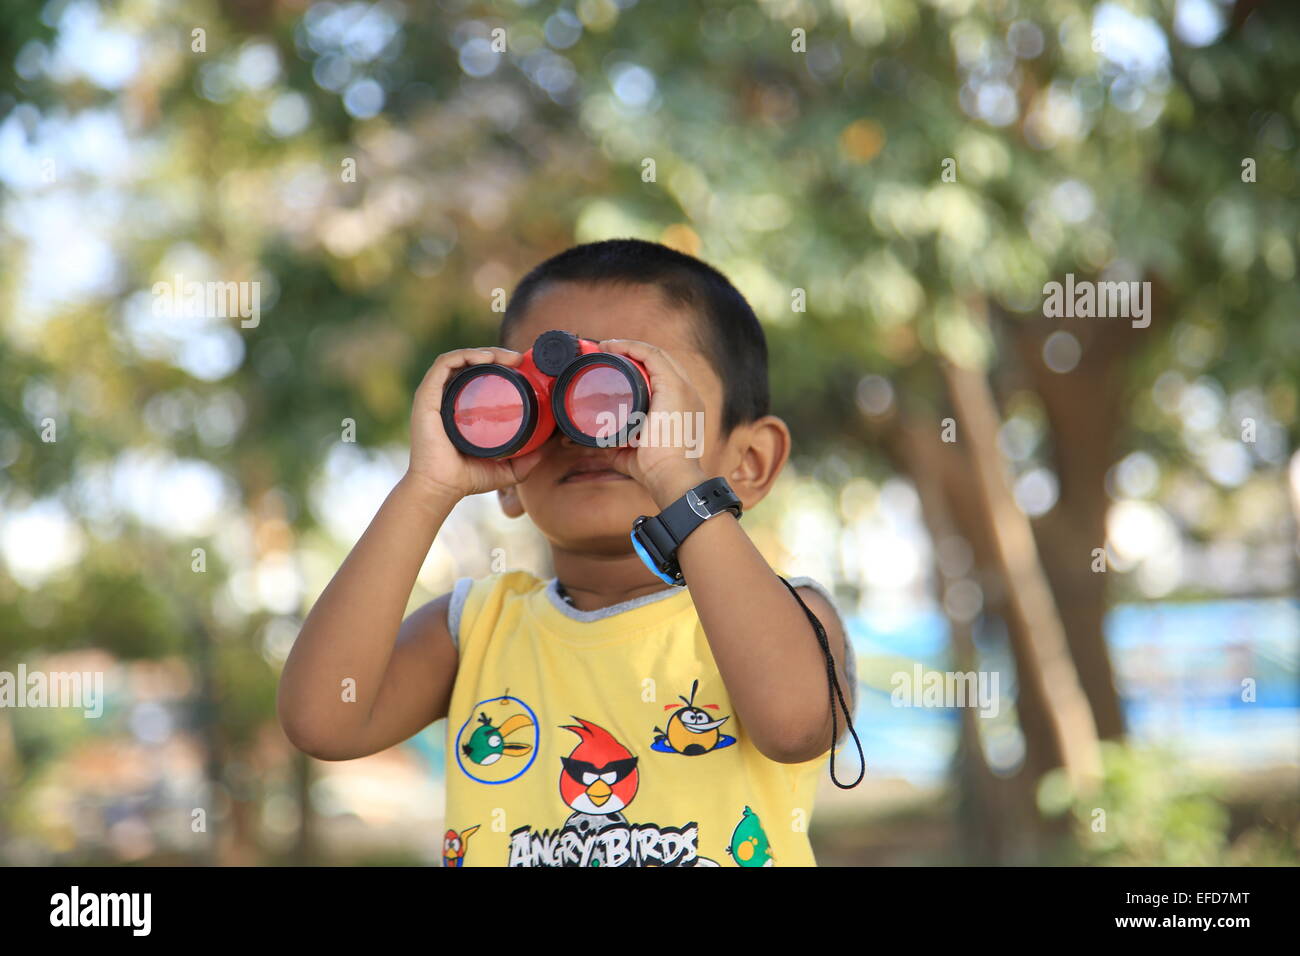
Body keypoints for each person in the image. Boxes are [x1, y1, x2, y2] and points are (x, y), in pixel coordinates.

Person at [278, 238, 861, 867]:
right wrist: (426, 489)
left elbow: (796, 725)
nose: (592, 426)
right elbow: (323, 720)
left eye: (638, 394)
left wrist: (675, 475)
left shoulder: (785, 617)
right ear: (506, 469)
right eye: (549, 398)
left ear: (748, 461)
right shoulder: (475, 630)